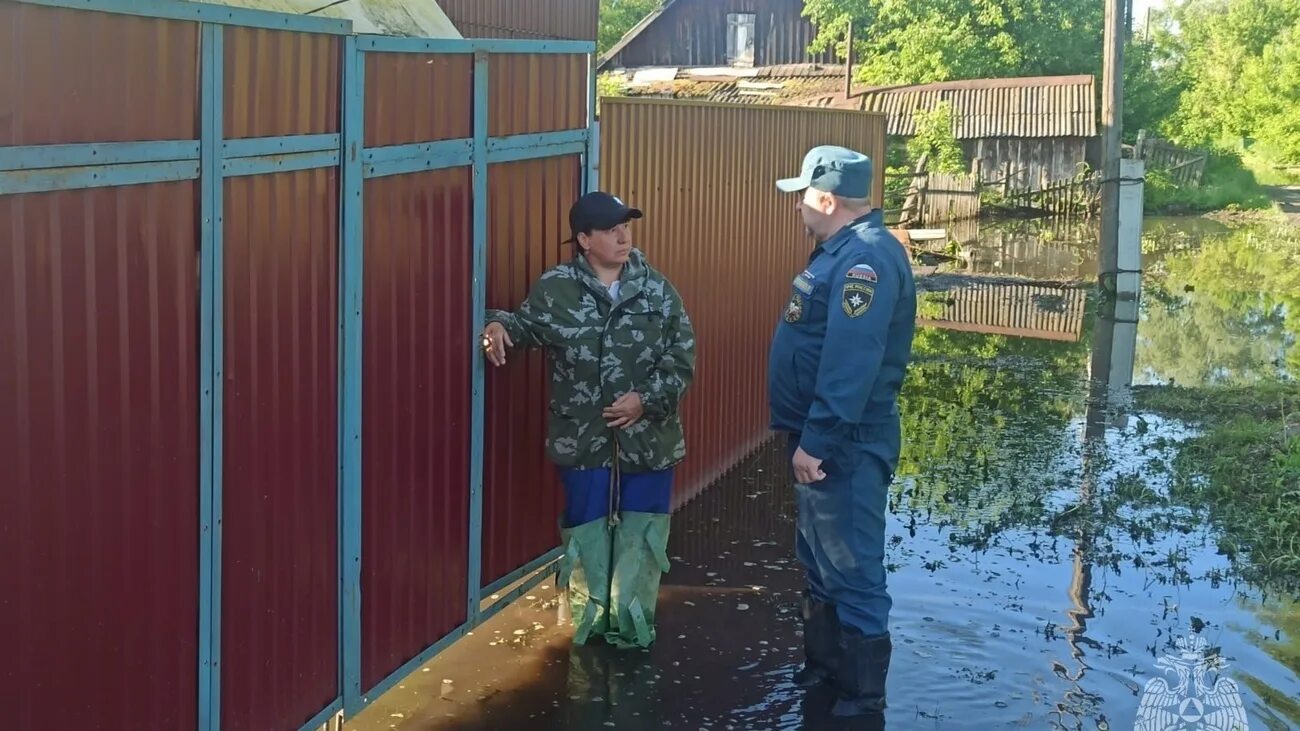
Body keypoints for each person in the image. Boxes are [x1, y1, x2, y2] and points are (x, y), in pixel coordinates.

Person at [480, 191, 696, 651]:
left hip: (650, 439)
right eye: (610, 229)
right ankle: (588, 631)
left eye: (627, 227)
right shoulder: (556, 288)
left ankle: (634, 635)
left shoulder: (658, 289)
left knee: (641, 538)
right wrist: (495, 325)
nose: (623, 237)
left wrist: (645, 399)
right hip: (582, 441)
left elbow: (682, 359)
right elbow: (524, 327)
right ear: (583, 239)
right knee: (587, 536)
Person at [767, 145, 916, 717]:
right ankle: (824, 675)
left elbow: (852, 361)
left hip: (842, 445)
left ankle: (859, 704)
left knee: (852, 570)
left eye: (804, 195)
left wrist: (818, 442)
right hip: (821, 438)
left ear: (826, 199)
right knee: (820, 562)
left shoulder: (864, 263)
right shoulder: (842, 252)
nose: (800, 205)